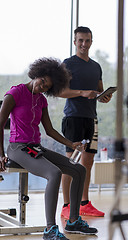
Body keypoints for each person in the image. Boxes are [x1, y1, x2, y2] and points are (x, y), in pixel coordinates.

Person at [0, 57, 98, 240]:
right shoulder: (15, 93)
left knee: (79, 169)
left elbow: (49, 130)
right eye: (42, 81)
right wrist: (1, 155)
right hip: (17, 147)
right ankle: (50, 229)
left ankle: (73, 221)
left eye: (46, 87)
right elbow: (0, 124)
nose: (41, 87)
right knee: (54, 173)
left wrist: (71, 144)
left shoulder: (42, 101)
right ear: (37, 74)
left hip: (35, 147)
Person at [59, 26, 112, 219]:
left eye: (87, 40)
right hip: (73, 118)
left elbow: (99, 91)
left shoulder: (96, 66)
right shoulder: (67, 64)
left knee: (87, 162)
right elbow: (59, 92)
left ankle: (84, 203)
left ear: (91, 42)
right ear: (74, 42)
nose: (83, 44)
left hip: (91, 119)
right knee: (70, 163)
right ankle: (66, 205)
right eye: (80, 40)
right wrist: (81, 92)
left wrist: (104, 97)